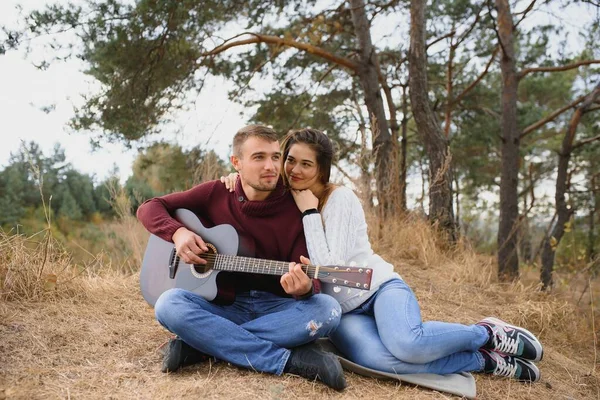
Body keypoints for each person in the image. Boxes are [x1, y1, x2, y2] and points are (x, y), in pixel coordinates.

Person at [221, 128, 544, 382]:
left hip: (378, 288)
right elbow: (248, 185)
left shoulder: (339, 199)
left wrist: (310, 215)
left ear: (321, 168)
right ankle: (483, 360)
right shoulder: (284, 200)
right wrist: (231, 179)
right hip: (344, 311)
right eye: (290, 160)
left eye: (307, 163)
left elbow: (332, 269)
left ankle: (487, 333)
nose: (294, 170)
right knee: (381, 361)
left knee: (409, 345)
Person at [136, 125, 346, 391]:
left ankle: (202, 345)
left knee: (327, 309)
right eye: (259, 157)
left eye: (275, 156)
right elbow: (149, 207)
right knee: (168, 304)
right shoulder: (217, 192)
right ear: (236, 163)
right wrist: (178, 233)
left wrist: (305, 289)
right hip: (222, 305)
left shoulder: (297, 204)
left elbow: (307, 275)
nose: (270, 166)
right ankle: (288, 360)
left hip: (276, 307)